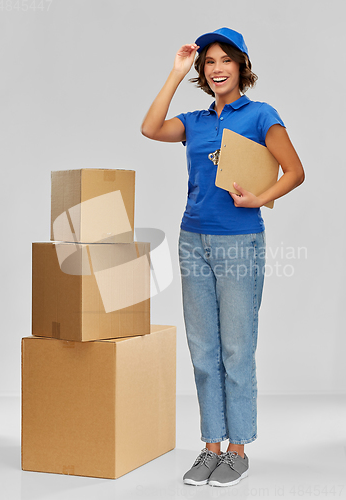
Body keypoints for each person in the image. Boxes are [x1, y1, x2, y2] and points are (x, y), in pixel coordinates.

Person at [141, 27, 304, 487]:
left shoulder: (259, 115)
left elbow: (295, 171)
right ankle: (210, 446)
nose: (216, 68)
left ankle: (238, 450)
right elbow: (150, 128)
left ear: (241, 67)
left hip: (239, 242)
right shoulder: (193, 122)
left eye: (225, 60)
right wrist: (174, 74)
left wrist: (259, 199)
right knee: (204, 350)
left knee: (236, 347)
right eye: (209, 61)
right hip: (193, 238)